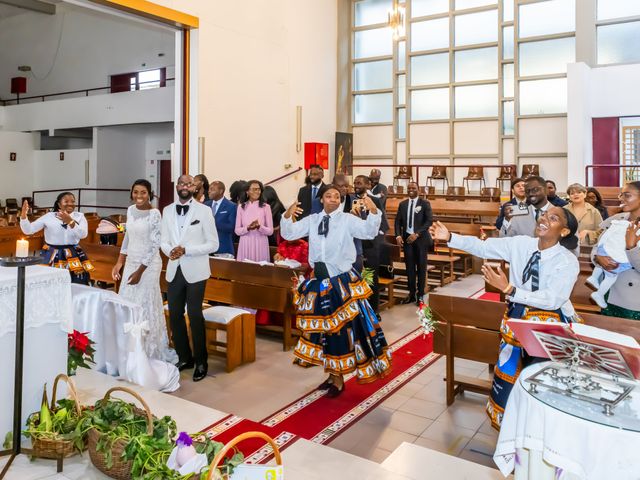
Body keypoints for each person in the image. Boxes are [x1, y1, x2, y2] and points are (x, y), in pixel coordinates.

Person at [430, 206, 580, 429]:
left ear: (564, 231)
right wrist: (450, 237)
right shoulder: (521, 244)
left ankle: (536, 428)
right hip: (518, 317)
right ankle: (510, 425)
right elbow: (482, 247)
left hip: (550, 324)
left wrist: (511, 290)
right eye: (544, 215)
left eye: (553, 218)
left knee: (541, 379)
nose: (544, 219)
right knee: (510, 373)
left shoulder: (566, 261)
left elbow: (553, 299)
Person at [281, 185, 391, 397]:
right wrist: (287, 214)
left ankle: (339, 378)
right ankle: (332, 375)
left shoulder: (347, 220)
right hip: (319, 282)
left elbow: (368, 231)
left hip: (340, 282)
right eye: (328, 196)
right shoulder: (313, 220)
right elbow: (289, 232)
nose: (333, 199)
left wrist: (374, 210)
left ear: (341, 200)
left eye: (337, 196)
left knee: (341, 331)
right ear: (322, 199)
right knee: (324, 332)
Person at [111, 179, 179, 391]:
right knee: (128, 303)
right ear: (131, 193)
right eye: (135, 192)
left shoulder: (155, 214)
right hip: (131, 261)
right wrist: (120, 262)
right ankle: (128, 350)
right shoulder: (130, 210)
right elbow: (127, 238)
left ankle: (147, 350)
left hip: (148, 266)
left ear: (150, 194)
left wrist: (140, 270)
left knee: (144, 304)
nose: (139, 195)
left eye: (143, 192)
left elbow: (154, 244)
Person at [161, 175, 218, 382]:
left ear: (195, 187)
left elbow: (213, 244)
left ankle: (201, 361)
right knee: (175, 314)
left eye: (189, 184)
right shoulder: (167, 210)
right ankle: (185, 357)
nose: (185, 187)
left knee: (194, 315)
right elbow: (163, 239)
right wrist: (171, 251)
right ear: (177, 186)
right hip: (174, 269)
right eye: (182, 183)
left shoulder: (204, 211)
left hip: (196, 270)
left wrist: (187, 250)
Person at [591, 181, 640, 320]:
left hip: (634, 300)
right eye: (621, 195)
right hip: (611, 293)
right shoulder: (615, 220)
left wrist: (632, 248)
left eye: (627, 195)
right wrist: (598, 258)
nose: (621, 199)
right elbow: (597, 246)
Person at [20, 192, 93, 285]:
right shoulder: (49, 216)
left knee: (75, 282)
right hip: (51, 253)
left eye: (73, 201)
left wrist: (70, 222)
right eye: (66, 201)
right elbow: (28, 230)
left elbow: (83, 234)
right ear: (59, 204)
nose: (70, 204)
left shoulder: (79, 216)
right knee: (49, 282)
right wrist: (23, 216)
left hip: (73, 253)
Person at [352, 175, 389, 313]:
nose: (356, 185)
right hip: (355, 245)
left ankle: (373, 309)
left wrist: (376, 238)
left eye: (359, 183)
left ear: (368, 185)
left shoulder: (374, 200)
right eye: (355, 183)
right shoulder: (350, 199)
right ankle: (358, 309)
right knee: (356, 277)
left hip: (371, 246)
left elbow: (383, 223)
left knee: (371, 277)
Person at [395, 182, 433, 305]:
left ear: (418, 190)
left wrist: (417, 234)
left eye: (413, 188)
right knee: (409, 268)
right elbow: (397, 221)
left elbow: (429, 221)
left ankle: (420, 295)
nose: (411, 190)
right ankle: (411, 294)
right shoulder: (403, 204)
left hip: (420, 239)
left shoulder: (424, 203)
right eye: (409, 188)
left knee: (421, 267)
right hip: (407, 240)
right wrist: (398, 235)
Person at [235, 180, 273, 262]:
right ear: (247, 191)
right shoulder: (241, 207)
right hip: (245, 243)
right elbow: (237, 230)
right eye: (254, 189)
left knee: (260, 272)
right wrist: (248, 228)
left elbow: (270, 231)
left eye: (259, 189)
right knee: (244, 270)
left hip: (260, 243)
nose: (257, 191)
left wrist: (259, 227)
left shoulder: (266, 207)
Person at [205, 181, 237, 256]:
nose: (209, 191)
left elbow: (231, 227)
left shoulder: (231, 206)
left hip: (223, 248)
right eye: (209, 189)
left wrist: (213, 223)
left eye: (212, 189)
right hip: (207, 248)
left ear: (221, 191)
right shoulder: (206, 205)